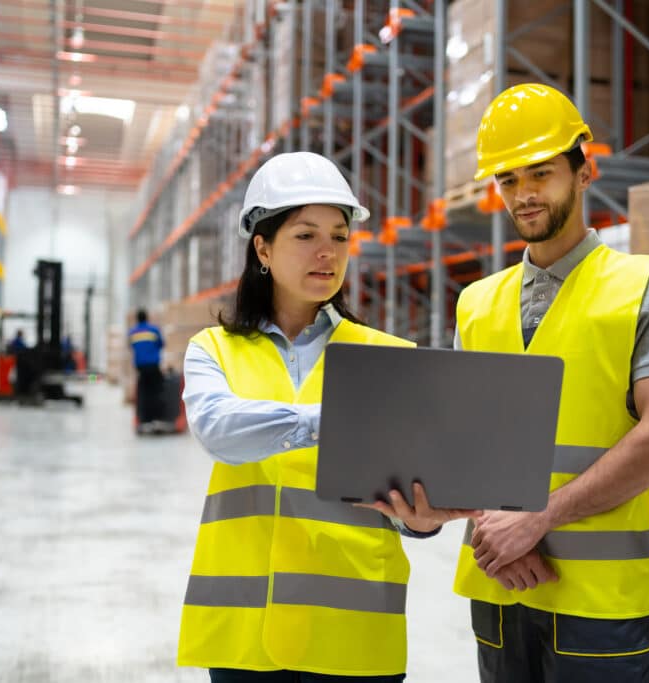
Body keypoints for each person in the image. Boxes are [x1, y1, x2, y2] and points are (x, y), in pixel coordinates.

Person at [177, 151, 475, 682]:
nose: (327, 252)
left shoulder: (389, 355)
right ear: (262, 248)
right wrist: (341, 421)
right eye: (305, 235)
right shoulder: (213, 350)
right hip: (245, 637)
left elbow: (412, 496)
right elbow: (220, 431)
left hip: (353, 636)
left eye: (339, 236)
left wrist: (421, 522)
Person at [450, 84, 649, 682]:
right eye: (508, 180)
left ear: (585, 171)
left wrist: (538, 520)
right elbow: (461, 444)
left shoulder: (646, 286)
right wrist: (495, 535)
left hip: (602, 600)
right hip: (501, 582)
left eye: (541, 173)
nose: (524, 195)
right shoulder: (476, 304)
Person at [128, 309, 165, 433]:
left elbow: (132, 347)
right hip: (154, 366)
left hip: (141, 368)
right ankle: (156, 421)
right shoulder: (154, 330)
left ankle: (143, 422)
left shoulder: (132, 332)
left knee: (143, 395)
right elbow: (161, 344)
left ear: (137, 319)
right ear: (147, 317)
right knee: (156, 392)